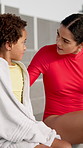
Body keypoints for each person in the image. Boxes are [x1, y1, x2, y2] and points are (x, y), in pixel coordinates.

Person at [0, 13, 72, 148]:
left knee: (65, 145)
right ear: (9, 45)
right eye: (23, 42)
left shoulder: (20, 70)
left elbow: (24, 106)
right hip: (9, 131)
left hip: (26, 125)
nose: (25, 47)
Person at [28, 13, 83, 145]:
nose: (58, 42)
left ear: (80, 45)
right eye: (58, 34)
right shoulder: (46, 54)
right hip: (54, 121)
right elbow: (22, 84)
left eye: (66, 41)